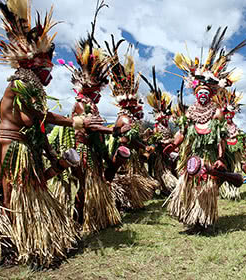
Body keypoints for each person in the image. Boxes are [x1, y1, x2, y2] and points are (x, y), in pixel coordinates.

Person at [0, 0, 102, 267]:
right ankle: (12, 242)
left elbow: (37, 126)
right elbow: (39, 117)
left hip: (25, 146)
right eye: (47, 70)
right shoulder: (19, 85)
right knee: (12, 192)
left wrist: (52, 155)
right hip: (11, 146)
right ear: (36, 67)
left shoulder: (33, 89)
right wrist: (75, 121)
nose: (50, 76)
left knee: (34, 185)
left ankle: (32, 240)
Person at [164, 27, 246, 232]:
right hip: (193, 157)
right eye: (200, 92)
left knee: (207, 187)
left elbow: (220, 138)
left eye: (206, 93)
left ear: (210, 95)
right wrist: (171, 145)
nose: (203, 96)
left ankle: (204, 219)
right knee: (189, 185)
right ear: (195, 94)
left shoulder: (217, 113)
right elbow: (182, 133)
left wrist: (220, 157)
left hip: (210, 157)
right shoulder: (189, 113)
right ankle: (191, 217)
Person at [53, 3, 122, 233]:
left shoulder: (91, 104)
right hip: (83, 152)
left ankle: (93, 217)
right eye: (96, 90)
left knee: (94, 184)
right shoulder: (81, 104)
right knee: (83, 186)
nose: (98, 94)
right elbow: (90, 127)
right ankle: (77, 219)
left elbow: (95, 125)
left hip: (93, 151)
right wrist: (111, 130)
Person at [106, 39, 158, 211]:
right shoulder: (124, 118)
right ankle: (121, 204)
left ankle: (129, 203)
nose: (137, 104)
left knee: (130, 178)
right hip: (122, 155)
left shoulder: (130, 119)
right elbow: (128, 139)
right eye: (134, 102)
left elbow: (133, 137)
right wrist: (143, 146)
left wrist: (144, 141)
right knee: (123, 178)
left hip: (129, 154)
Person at [141, 67, 178, 196]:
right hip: (159, 154)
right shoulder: (157, 127)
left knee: (167, 170)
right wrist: (164, 141)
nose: (166, 117)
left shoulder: (166, 126)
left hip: (166, 153)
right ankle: (163, 188)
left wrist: (172, 141)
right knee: (160, 171)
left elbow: (170, 137)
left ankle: (165, 188)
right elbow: (156, 140)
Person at [214, 88, 246, 200]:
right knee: (225, 169)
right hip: (225, 150)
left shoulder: (235, 127)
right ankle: (224, 190)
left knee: (235, 168)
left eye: (231, 115)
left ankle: (234, 191)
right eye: (226, 115)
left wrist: (237, 136)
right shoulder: (220, 126)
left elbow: (239, 136)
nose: (228, 117)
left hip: (235, 151)